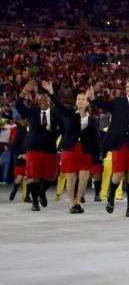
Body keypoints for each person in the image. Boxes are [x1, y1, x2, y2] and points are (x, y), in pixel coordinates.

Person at [89, 77, 129, 217]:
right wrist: (92, 98)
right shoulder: (119, 102)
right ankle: (111, 195)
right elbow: (104, 104)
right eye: (127, 87)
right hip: (119, 144)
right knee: (118, 174)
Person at [42, 81, 98, 214]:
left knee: (83, 179)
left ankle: (78, 201)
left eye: (83, 99)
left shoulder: (93, 119)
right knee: (71, 178)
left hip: (86, 151)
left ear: (87, 102)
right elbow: (59, 106)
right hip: (70, 149)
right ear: (76, 102)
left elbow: (96, 138)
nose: (80, 101)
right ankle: (71, 204)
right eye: (78, 99)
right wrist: (51, 93)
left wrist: (97, 155)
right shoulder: (70, 113)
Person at [15, 80, 60, 211]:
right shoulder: (31, 111)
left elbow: (62, 127)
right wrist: (24, 91)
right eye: (40, 100)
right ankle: (35, 203)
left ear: (50, 102)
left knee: (51, 177)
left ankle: (42, 192)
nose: (42, 102)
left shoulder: (56, 113)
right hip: (34, 148)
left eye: (45, 100)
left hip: (50, 148)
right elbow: (18, 105)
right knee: (34, 177)